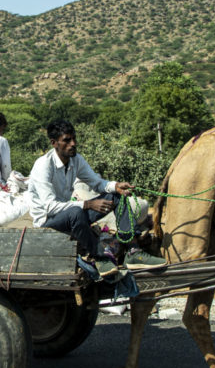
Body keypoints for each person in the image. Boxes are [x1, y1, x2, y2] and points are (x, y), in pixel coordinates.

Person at [27, 119, 165, 277]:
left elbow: (97, 183)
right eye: (67, 140)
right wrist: (87, 204)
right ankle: (98, 256)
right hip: (48, 222)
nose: (73, 144)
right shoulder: (43, 165)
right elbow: (50, 207)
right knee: (75, 211)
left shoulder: (75, 159)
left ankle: (132, 251)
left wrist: (115, 186)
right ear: (54, 143)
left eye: (74, 139)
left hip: (71, 216)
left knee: (116, 196)